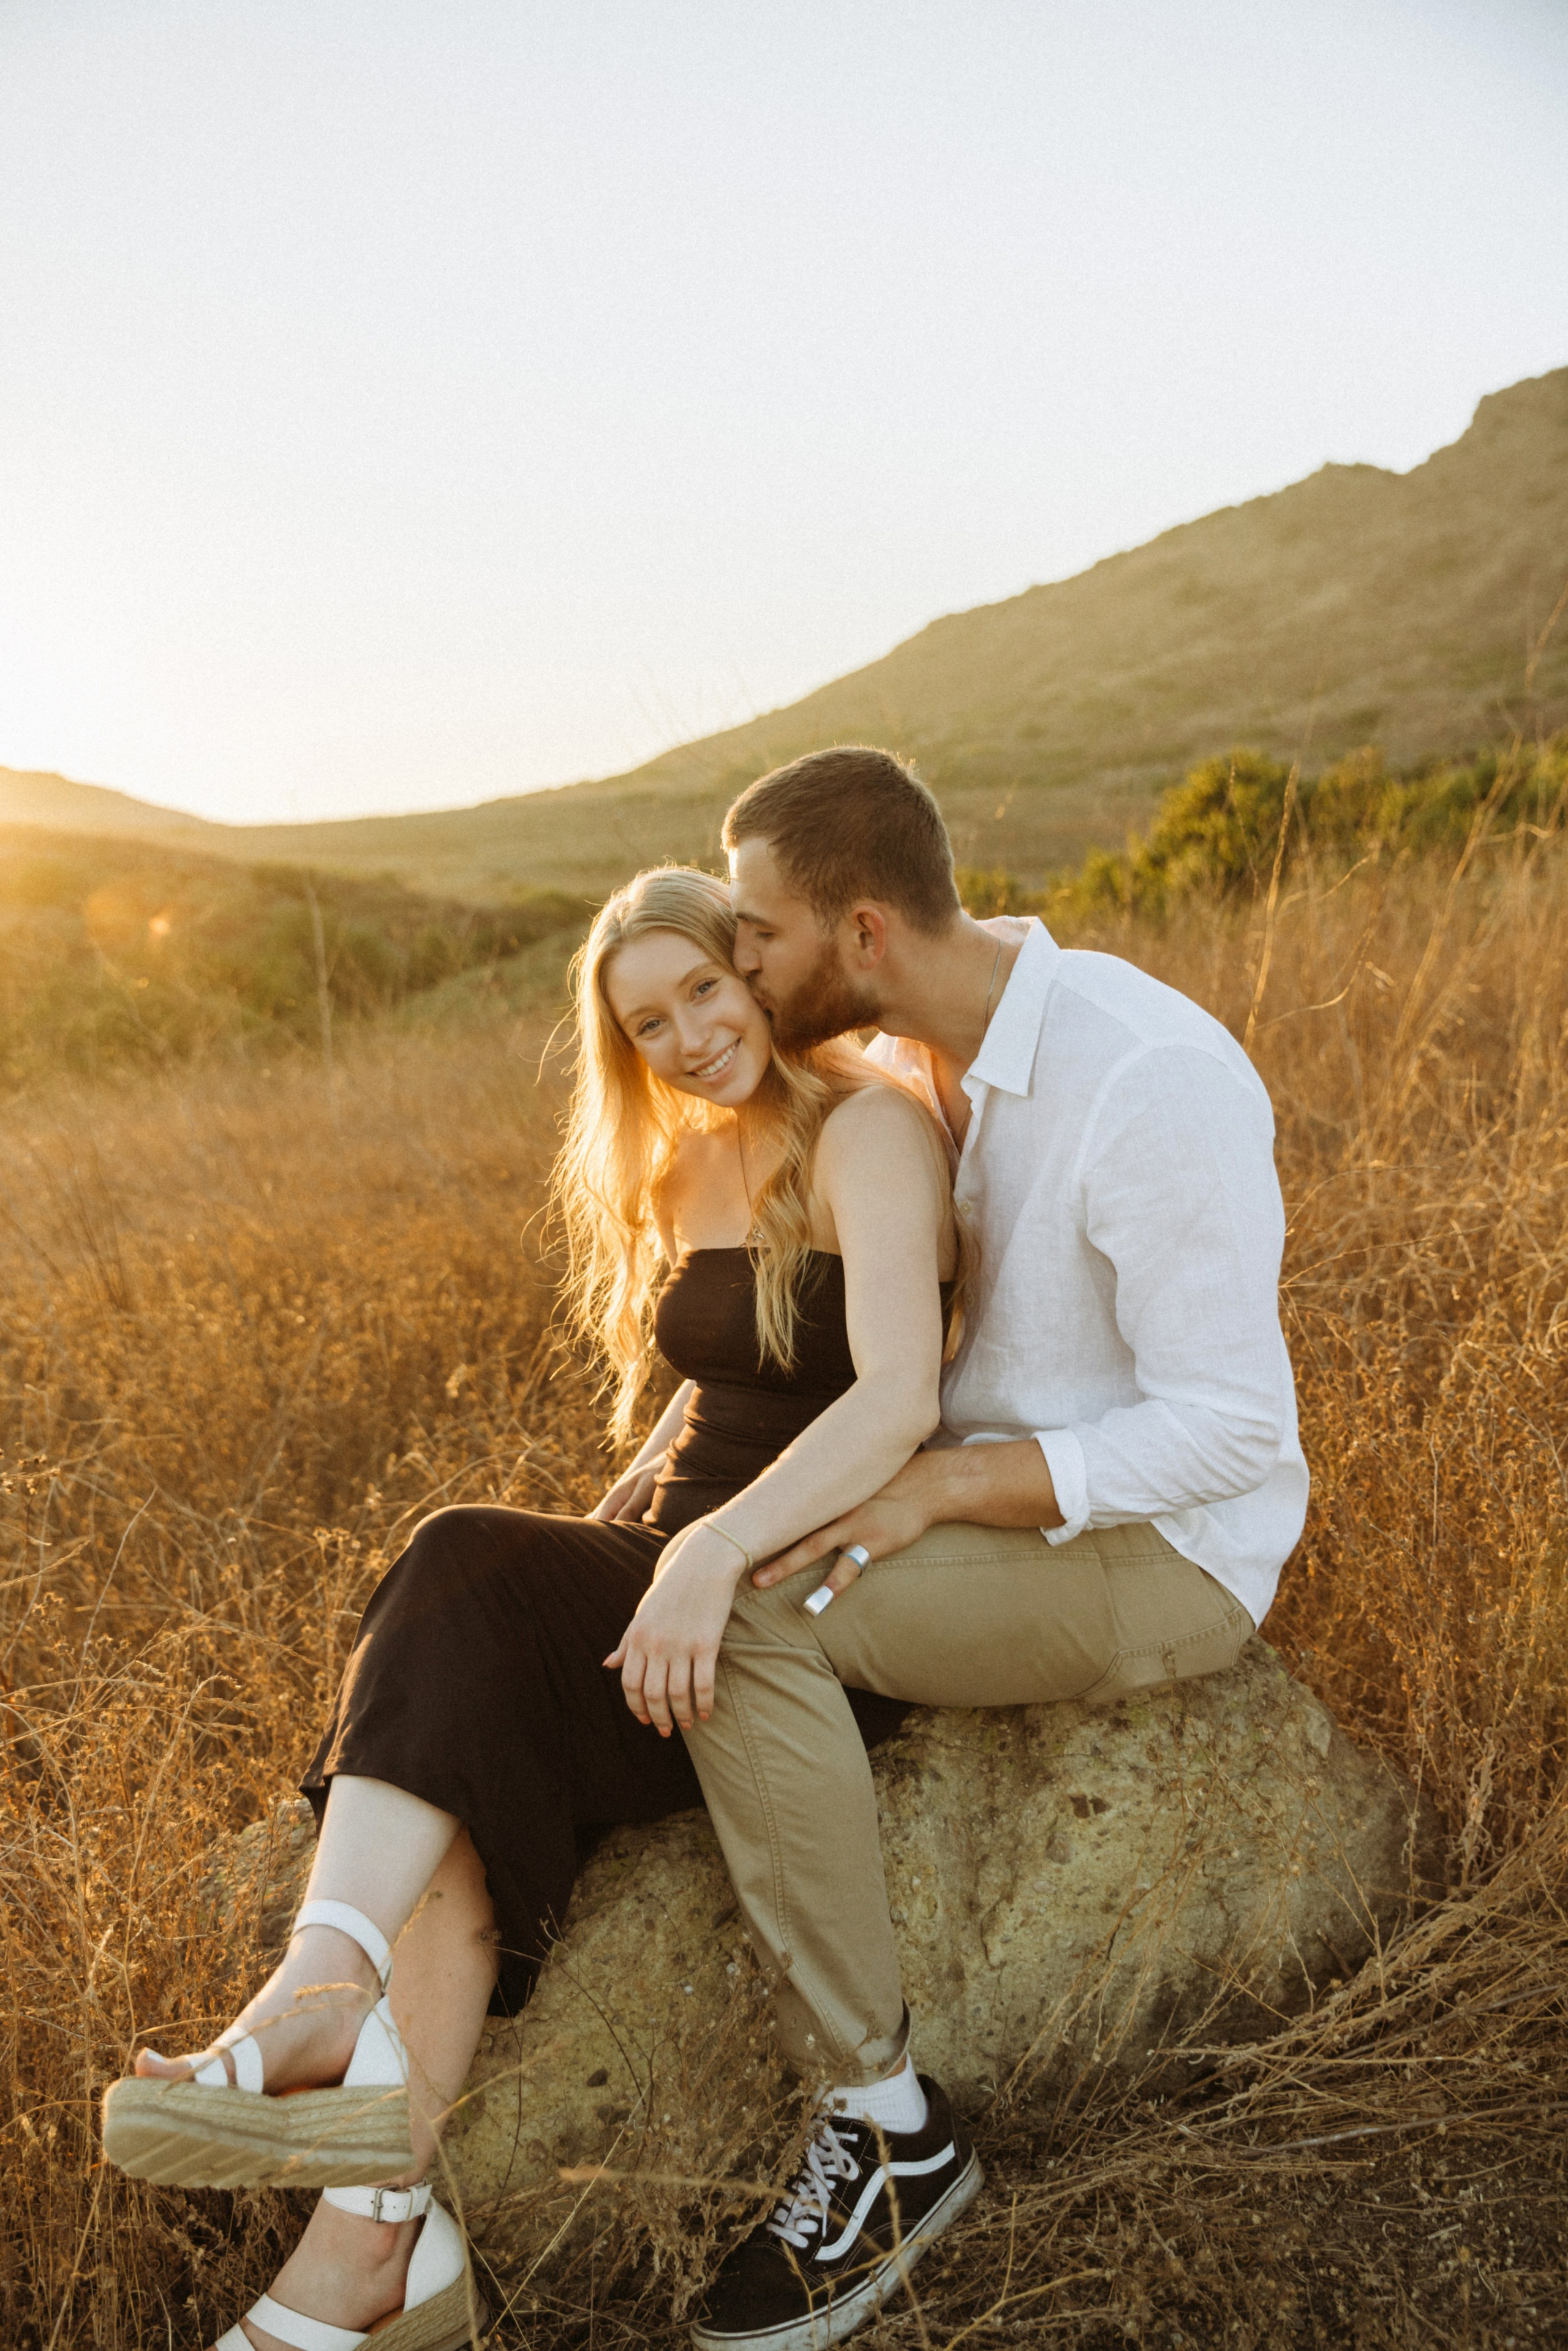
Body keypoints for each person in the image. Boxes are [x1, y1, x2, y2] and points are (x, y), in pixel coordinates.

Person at [100, 865, 984, 2351]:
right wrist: (643, 1484)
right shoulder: (690, 1164)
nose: (690, 1037)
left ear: (755, 971)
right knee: (448, 1784)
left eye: (703, 988)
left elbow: (894, 1393)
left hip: (780, 1605)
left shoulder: (867, 1130)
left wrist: (703, 1553)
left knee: (454, 1557)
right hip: (663, 1579)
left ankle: (320, 1992)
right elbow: (732, 1364)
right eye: (649, 1023)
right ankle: (360, 2257)